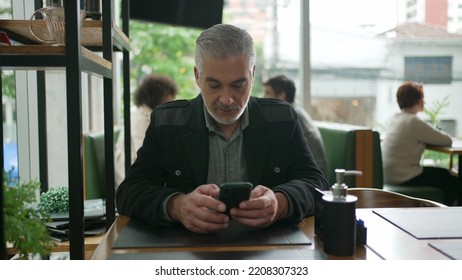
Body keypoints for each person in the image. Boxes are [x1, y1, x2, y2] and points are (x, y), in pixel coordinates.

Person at [116, 23, 329, 234]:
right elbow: (129, 193)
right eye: (214, 85)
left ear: (252, 74)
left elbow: (317, 184)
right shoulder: (166, 123)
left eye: (238, 85)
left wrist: (280, 203)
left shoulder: (282, 119)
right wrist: (177, 206)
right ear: (197, 76)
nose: (227, 100)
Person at [382, 81, 461, 206]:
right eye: (422, 98)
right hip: (404, 176)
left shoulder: (397, 118)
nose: (424, 102)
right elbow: (447, 140)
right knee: (452, 180)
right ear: (416, 101)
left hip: (389, 175)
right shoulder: (413, 121)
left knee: (444, 175)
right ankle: (449, 213)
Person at [114, 74, 178, 188]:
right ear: (156, 97)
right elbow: (146, 156)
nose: (171, 102)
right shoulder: (143, 120)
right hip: (131, 182)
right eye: (169, 97)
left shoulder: (144, 114)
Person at [263, 74, 327, 176]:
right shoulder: (294, 111)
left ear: (281, 95)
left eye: (267, 93)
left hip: (311, 179)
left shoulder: (290, 115)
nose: (264, 98)